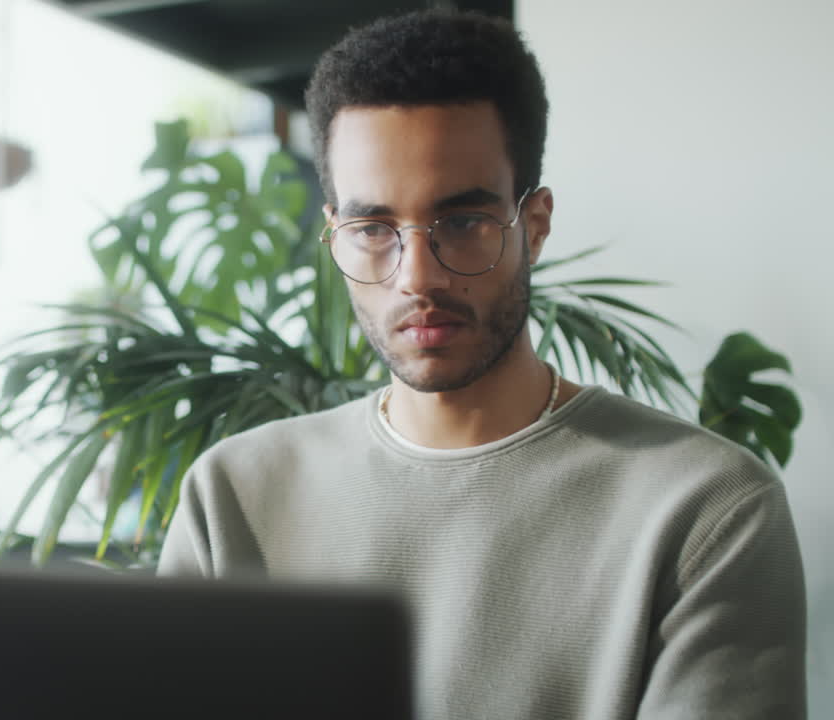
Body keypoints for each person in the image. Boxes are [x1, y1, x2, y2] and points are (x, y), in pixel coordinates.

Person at [156, 9, 806, 719]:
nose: (417, 277)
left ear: (535, 224)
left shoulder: (703, 508)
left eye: (463, 222)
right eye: (373, 229)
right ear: (335, 235)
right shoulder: (235, 496)